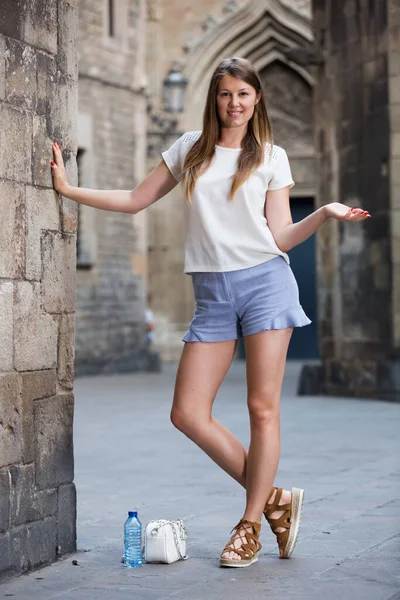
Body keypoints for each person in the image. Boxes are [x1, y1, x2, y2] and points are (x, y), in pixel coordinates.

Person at [50, 56, 370, 569]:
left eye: (244, 93)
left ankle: (248, 527)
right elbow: (136, 199)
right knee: (187, 414)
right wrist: (69, 190)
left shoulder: (271, 156)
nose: (234, 103)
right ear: (214, 97)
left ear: (256, 98)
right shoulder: (189, 150)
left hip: (266, 283)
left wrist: (324, 213)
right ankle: (275, 499)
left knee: (262, 409)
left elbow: (281, 235)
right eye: (225, 93)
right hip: (212, 294)